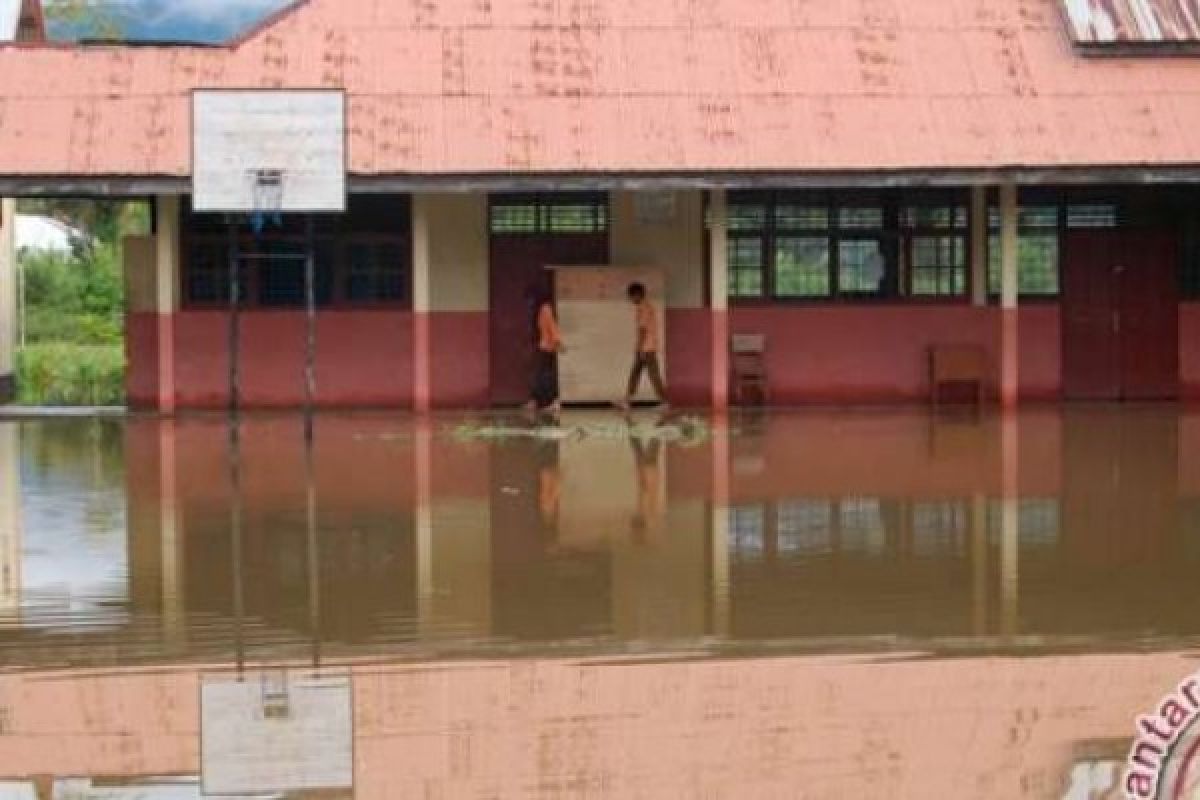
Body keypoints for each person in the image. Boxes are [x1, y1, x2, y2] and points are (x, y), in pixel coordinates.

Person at [617, 282, 668, 411]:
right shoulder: (645, 307)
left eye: (632, 297)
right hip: (646, 348)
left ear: (638, 294)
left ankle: (665, 401)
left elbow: (643, 330)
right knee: (635, 373)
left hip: (646, 348)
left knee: (653, 375)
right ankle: (627, 400)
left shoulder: (644, 308)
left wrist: (639, 349)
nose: (631, 299)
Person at [527, 288, 564, 415]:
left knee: (545, 376)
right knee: (542, 375)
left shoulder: (545, 309)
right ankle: (538, 400)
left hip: (548, 347)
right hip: (544, 346)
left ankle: (551, 401)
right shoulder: (541, 309)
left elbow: (551, 326)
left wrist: (558, 342)